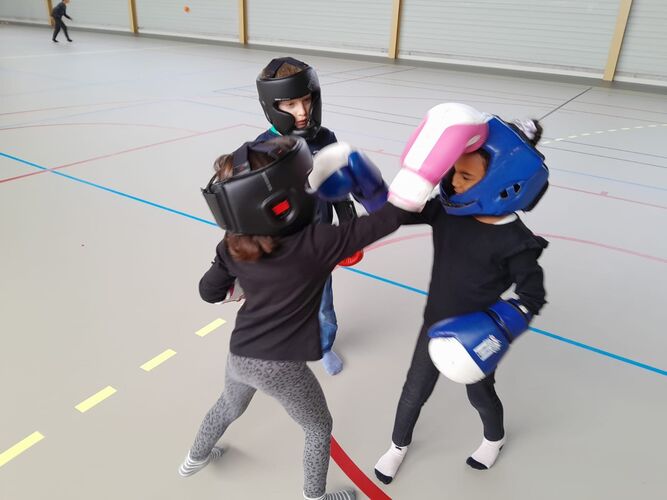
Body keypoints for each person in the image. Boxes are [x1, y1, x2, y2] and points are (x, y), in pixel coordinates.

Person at [179, 135, 450, 500]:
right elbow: (391, 218)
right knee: (319, 428)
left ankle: (193, 459)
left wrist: (239, 286)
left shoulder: (232, 244)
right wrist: (369, 182)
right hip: (279, 367)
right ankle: (314, 497)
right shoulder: (317, 244)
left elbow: (208, 291)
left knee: (228, 405)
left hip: (240, 353)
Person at [374, 104, 549, 483]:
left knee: (480, 394)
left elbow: (532, 294)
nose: (453, 182)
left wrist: (499, 327)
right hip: (434, 324)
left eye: (466, 176)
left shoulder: (516, 241)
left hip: (474, 337)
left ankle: (494, 439)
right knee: (414, 390)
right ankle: (397, 447)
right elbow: (402, 211)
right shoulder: (445, 211)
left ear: (502, 182)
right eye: (454, 171)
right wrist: (367, 186)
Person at [255, 57, 357, 376]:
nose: (302, 111)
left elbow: (339, 184)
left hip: (318, 243)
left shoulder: (325, 138)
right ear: (272, 105)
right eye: (290, 104)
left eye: (306, 100)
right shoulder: (260, 149)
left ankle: (323, 345)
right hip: (282, 248)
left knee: (322, 303)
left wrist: (348, 223)